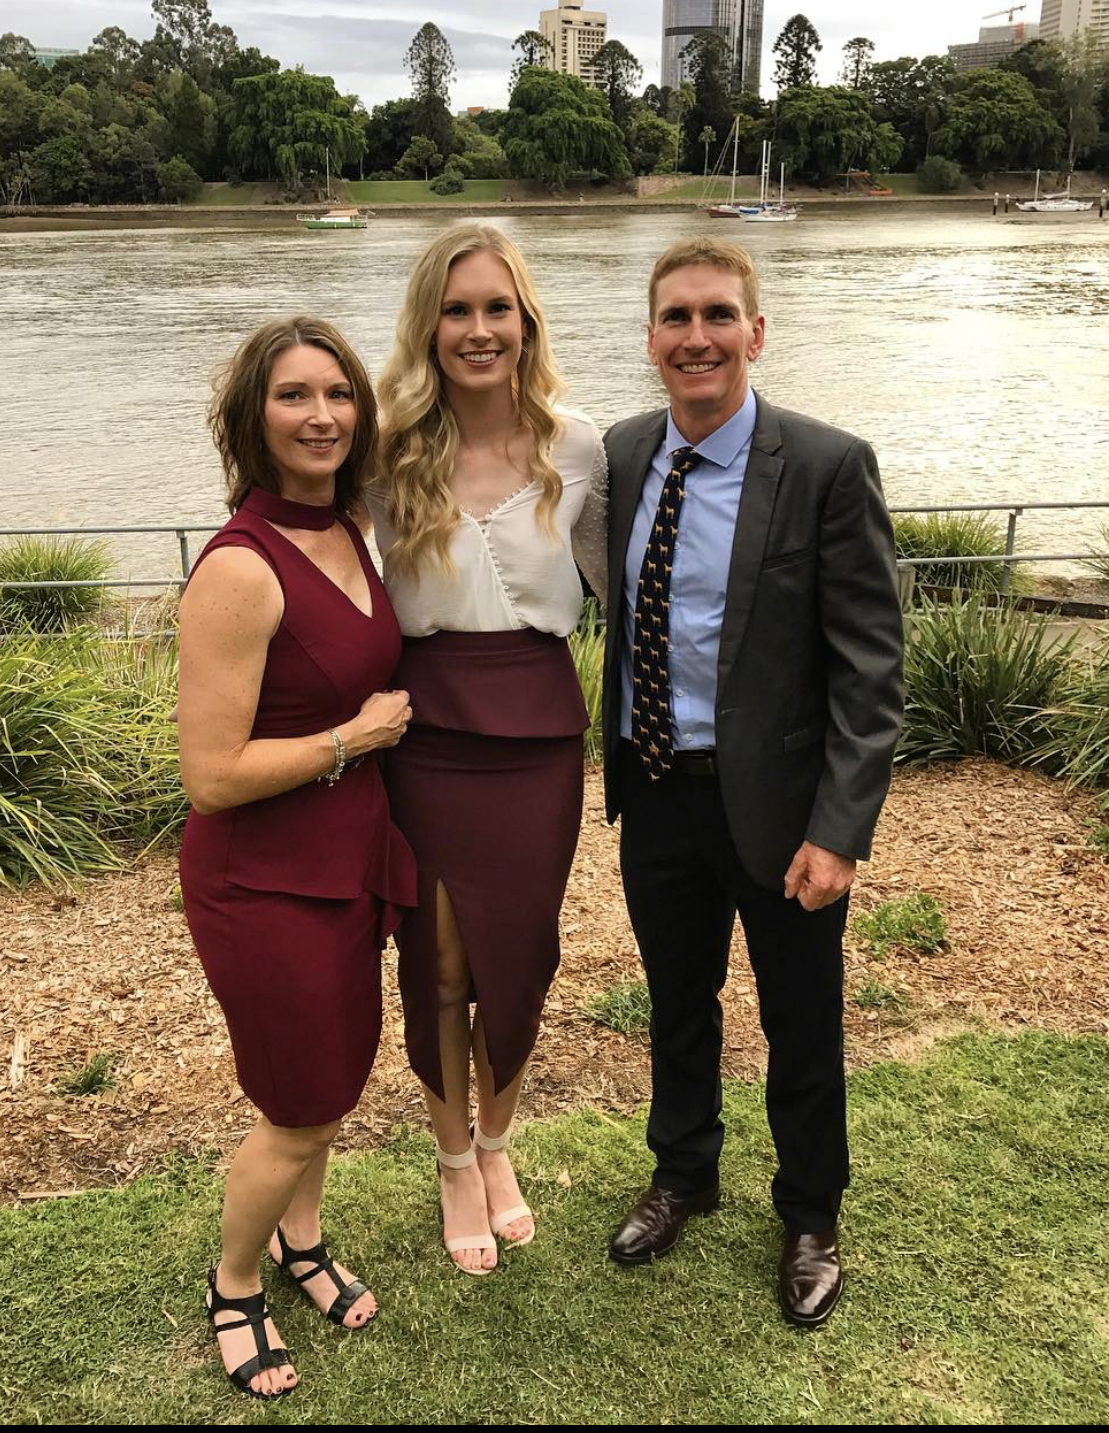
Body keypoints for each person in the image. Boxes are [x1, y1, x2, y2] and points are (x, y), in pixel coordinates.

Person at [601, 238, 904, 1328]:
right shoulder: (621, 454)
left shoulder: (824, 465)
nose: (698, 337)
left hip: (780, 809)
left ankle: (810, 1213)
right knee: (676, 1001)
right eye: (676, 318)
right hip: (655, 788)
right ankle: (682, 1172)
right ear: (650, 339)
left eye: (718, 315)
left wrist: (840, 828)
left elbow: (870, 667)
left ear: (755, 332)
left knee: (800, 1018)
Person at [177, 318, 416, 1397]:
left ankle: (300, 1240)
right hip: (262, 881)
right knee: (299, 1102)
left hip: (345, 860)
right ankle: (235, 1282)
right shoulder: (241, 566)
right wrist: (351, 739)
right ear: (252, 418)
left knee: (330, 1081)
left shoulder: (349, 526)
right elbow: (210, 773)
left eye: (338, 393)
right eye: (292, 396)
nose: (321, 415)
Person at [367, 224, 607, 1275]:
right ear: (428, 325)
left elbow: (636, 577)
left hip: (539, 733)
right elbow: (305, 557)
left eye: (495, 308)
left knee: (520, 953)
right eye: (455, 309)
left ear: (525, 320)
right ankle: (452, 1158)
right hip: (424, 734)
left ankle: (499, 1141)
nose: (477, 329)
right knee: (439, 960)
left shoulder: (580, 447)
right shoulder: (382, 452)